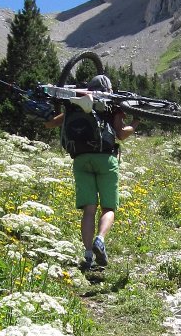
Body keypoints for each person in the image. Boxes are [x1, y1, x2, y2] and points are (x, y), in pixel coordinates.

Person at [45, 74, 138, 271]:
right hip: (105, 159)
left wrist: (57, 105)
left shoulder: (75, 105)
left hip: (80, 159)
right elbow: (121, 133)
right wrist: (136, 122)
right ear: (109, 89)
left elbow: (50, 123)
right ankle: (100, 240)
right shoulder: (113, 104)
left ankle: (88, 256)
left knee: (89, 209)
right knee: (108, 208)